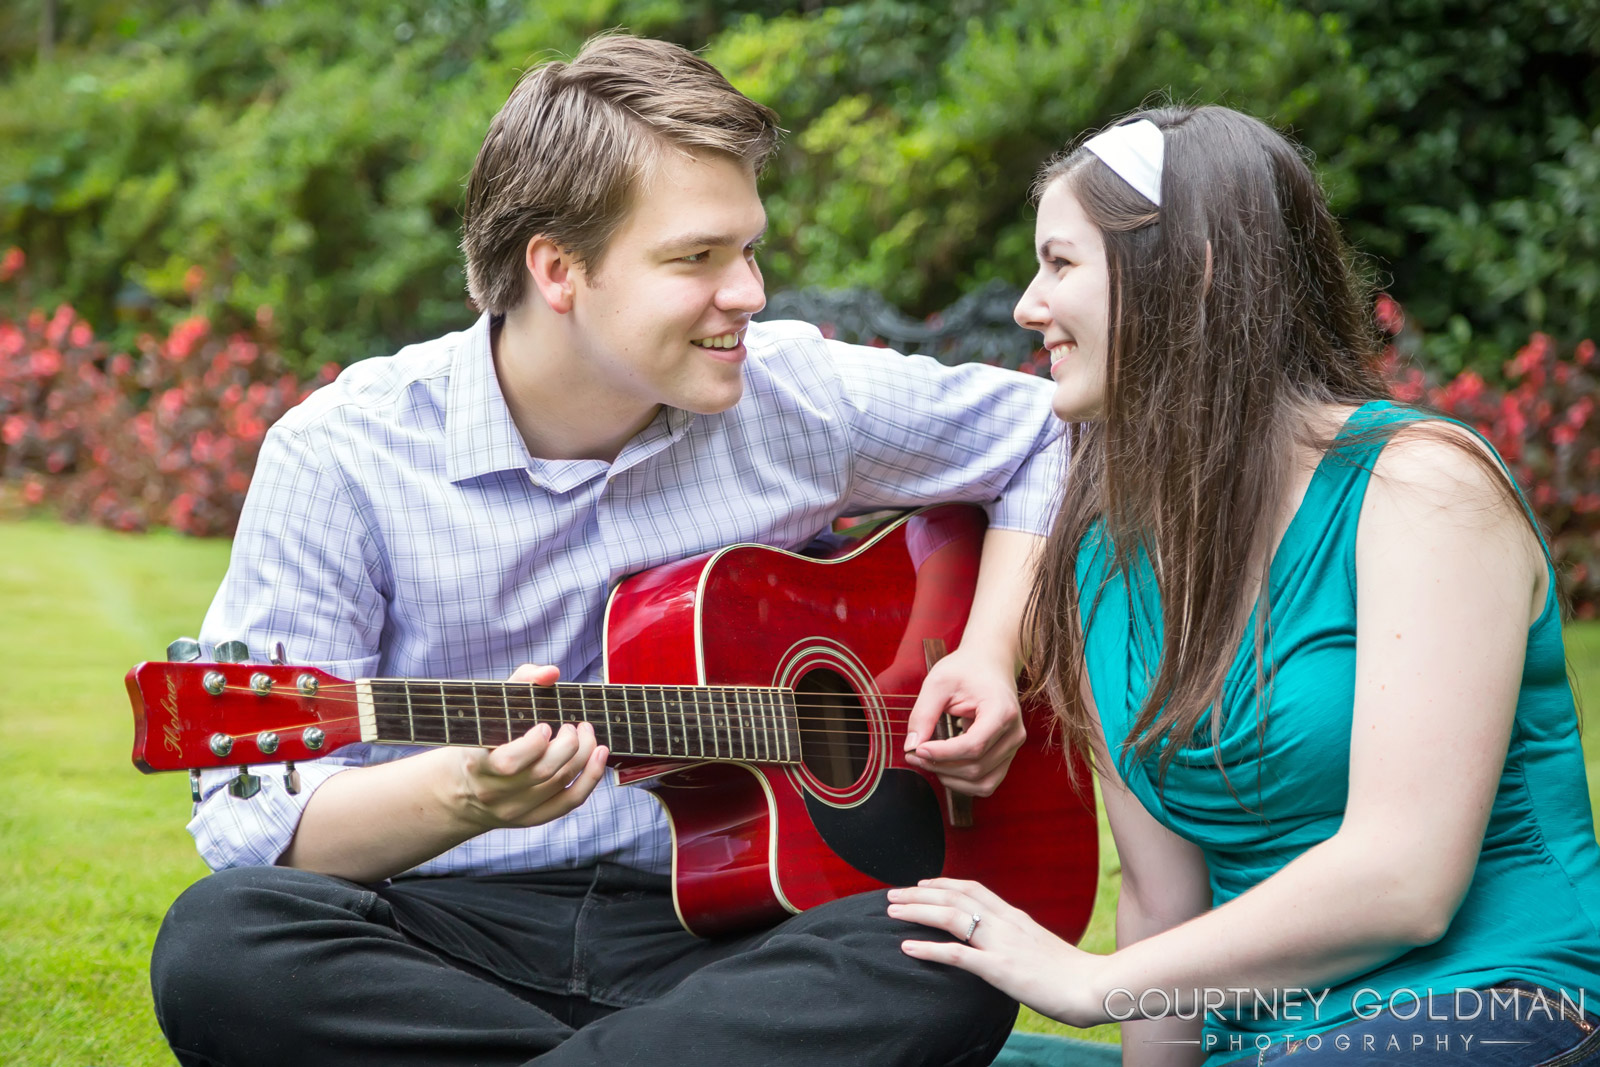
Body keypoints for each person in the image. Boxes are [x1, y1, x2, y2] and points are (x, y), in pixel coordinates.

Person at [149, 33, 1064, 1067]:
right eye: (696, 258)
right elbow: (254, 821)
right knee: (221, 943)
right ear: (557, 269)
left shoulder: (795, 398)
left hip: (728, 942)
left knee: (946, 945)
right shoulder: (343, 456)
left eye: (749, 248)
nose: (750, 293)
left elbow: (1051, 430)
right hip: (452, 938)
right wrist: (465, 794)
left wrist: (988, 648)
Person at [887, 105, 1600, 1065]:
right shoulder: (1097, 557)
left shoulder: (1418, 490)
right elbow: (1159, 898)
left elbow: (1406, 878)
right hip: (1262, 1041)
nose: (1026, 304)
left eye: (1060, 264)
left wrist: (1092, 981)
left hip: (1491, 1006)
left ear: (1198, 268)